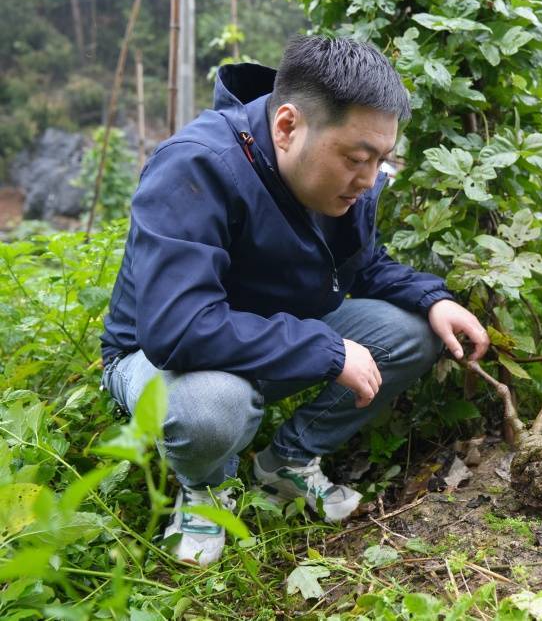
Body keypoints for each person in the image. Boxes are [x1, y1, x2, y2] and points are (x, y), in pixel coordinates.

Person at [100, 36, 489, 565]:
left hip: (267, 330)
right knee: (213, 404)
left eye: (381, 160)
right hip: (159, 356)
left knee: (413, 331)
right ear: (287, 127)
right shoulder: (195, 166)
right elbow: (178, 329)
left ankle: (285, 461)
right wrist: (326, 351)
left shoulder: (339, 178)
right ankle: (206, 488)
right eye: (358, 159)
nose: (368, 179)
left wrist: (432, 299)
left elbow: (360, 265)